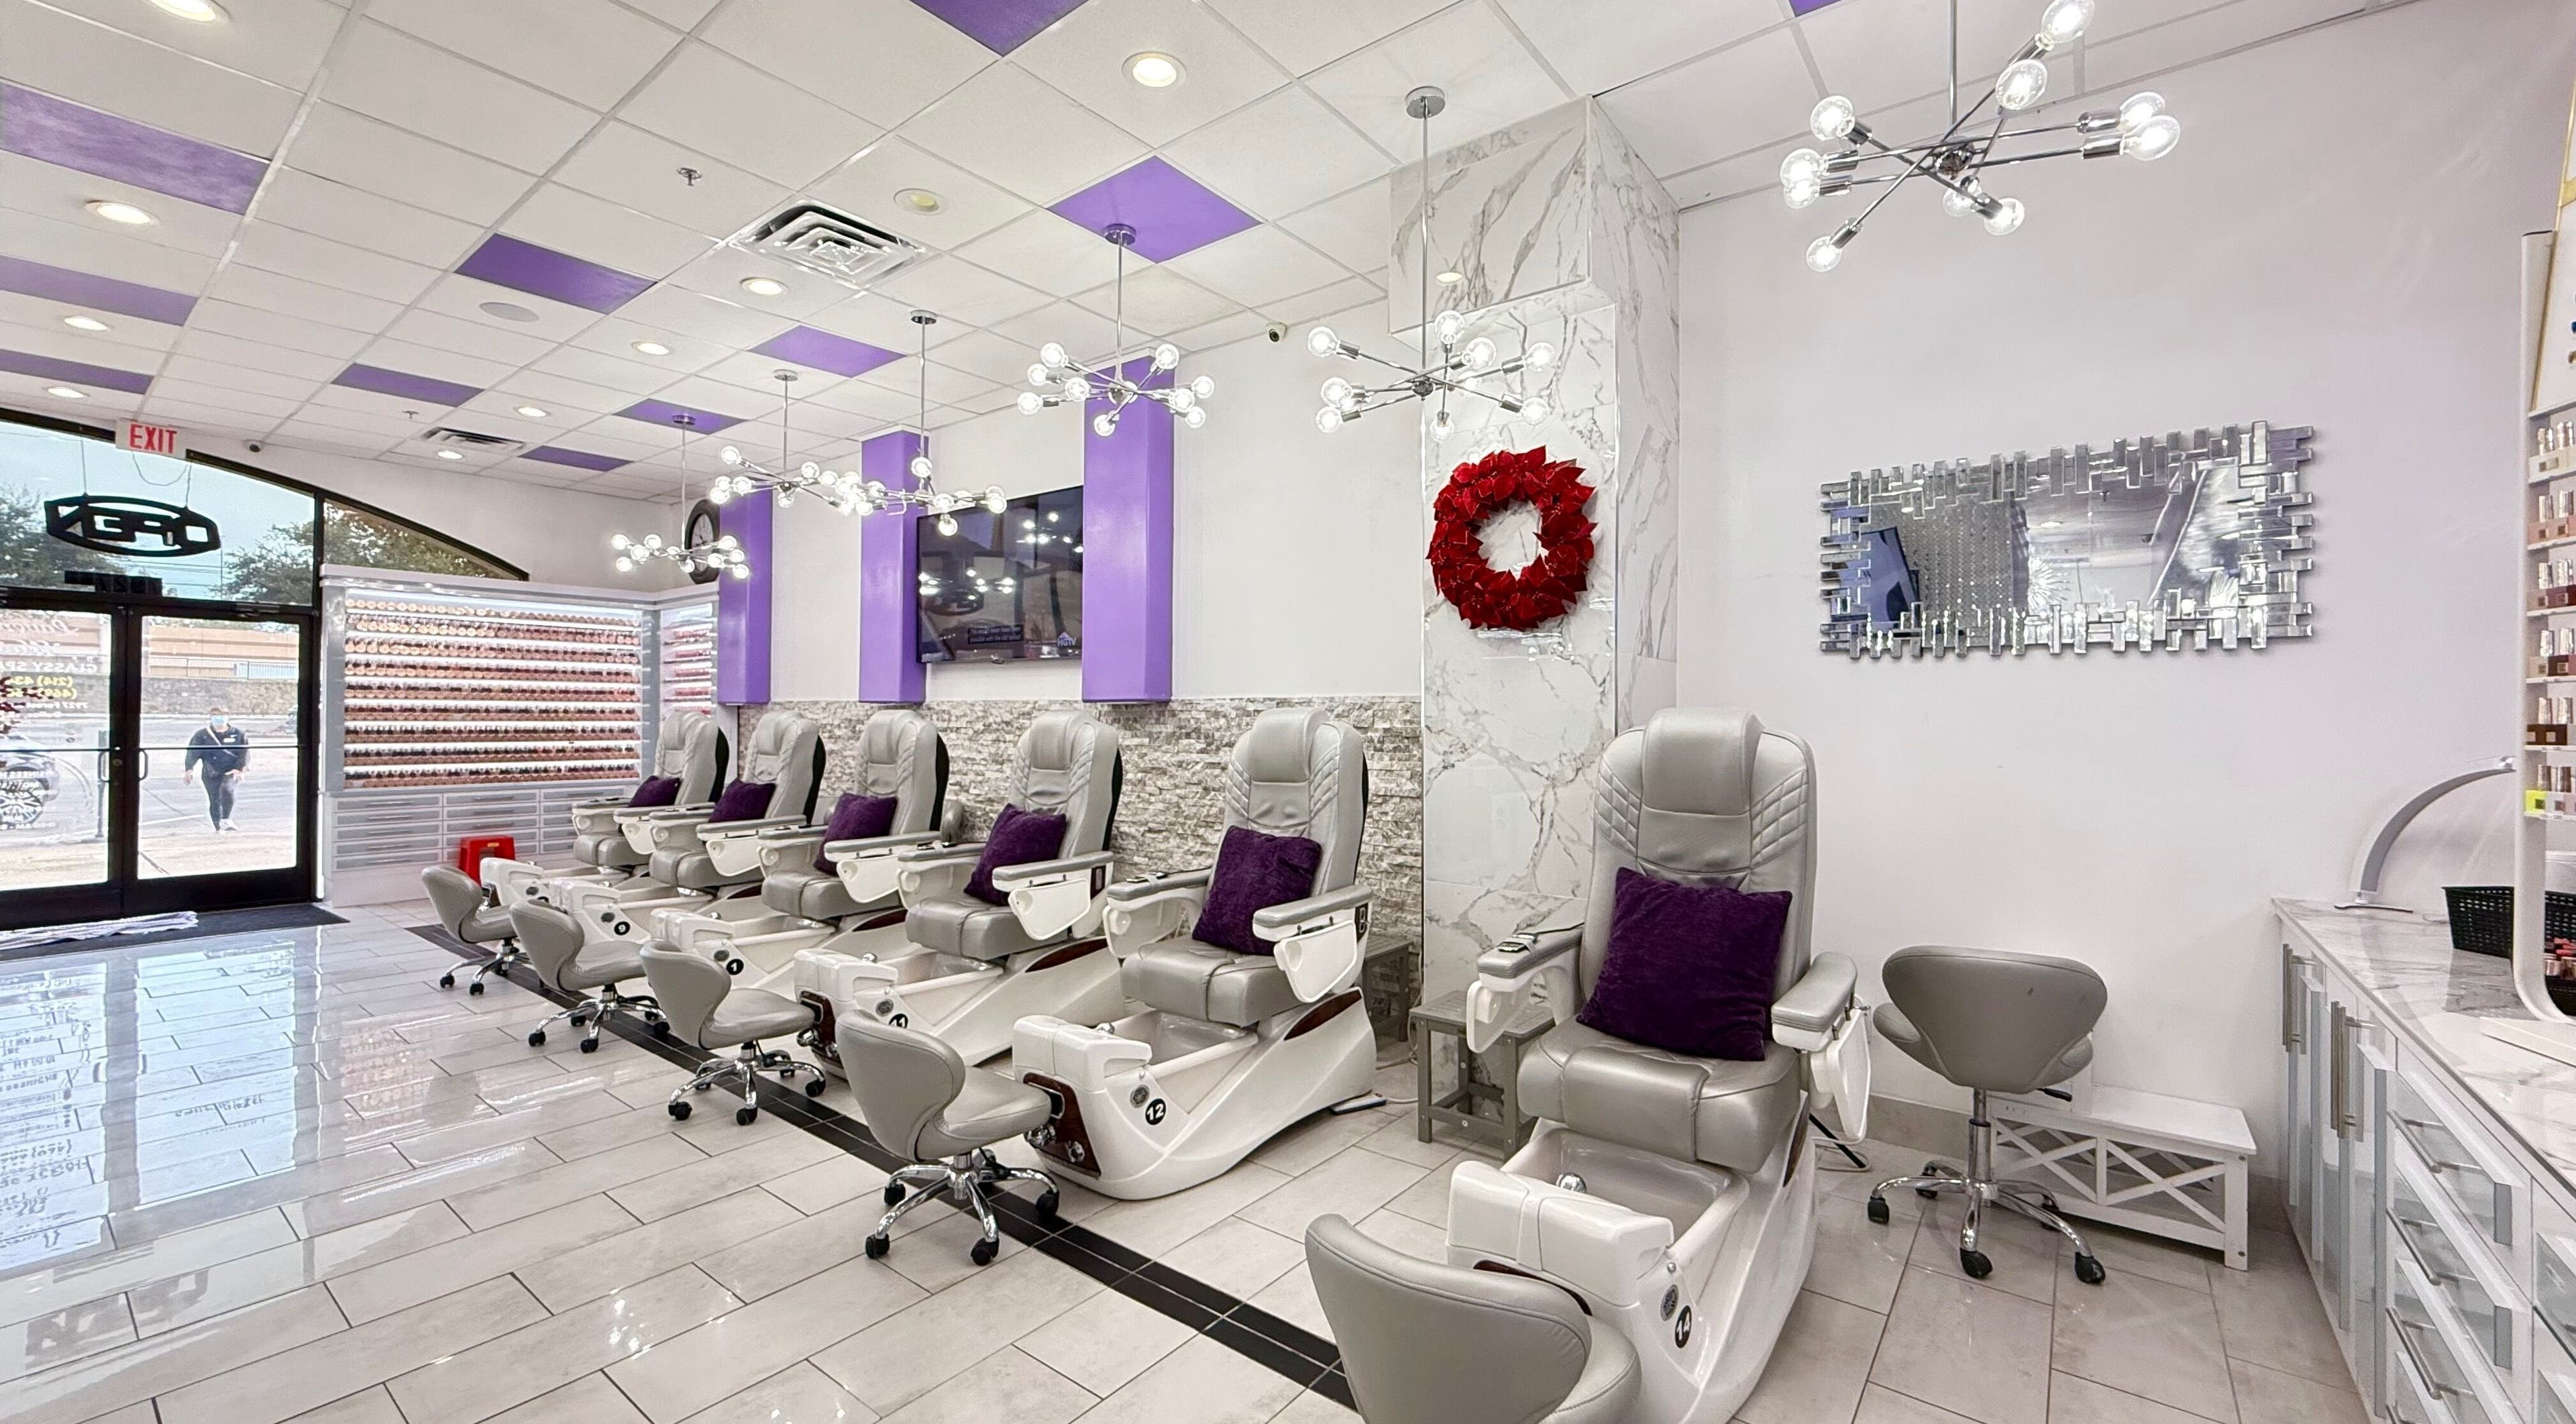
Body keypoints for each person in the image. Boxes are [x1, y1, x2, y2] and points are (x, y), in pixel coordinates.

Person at [184, 706, 249, 832]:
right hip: (211, 771)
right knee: (214, 799)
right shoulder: (202, 735)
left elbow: (245, 752)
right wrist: (189, 769)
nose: (219, 718)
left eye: (222, 715)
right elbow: (193, 752)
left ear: (228, 716)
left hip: (231, 771)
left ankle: (226, 819)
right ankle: (218, 826)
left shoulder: (238, 734)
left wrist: (240, 769)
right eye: (215, 715)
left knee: (227, 788)